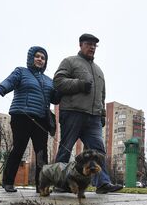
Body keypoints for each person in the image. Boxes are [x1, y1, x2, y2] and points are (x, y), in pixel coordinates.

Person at [53, 33, 123, 194]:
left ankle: (102, 183)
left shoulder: (99, 70)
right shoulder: (69, 61)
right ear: (80, 45)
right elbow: (58, 81)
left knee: (98, 151)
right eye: (88, 44)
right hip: (72, 113)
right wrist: (79, 84)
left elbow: (102, 94)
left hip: (93, 118)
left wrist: (103, 114)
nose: (92, 47)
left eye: (94, 45)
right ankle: (60, 182)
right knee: (66, 147)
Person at [0, 46, 54, 193]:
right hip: (22, 116)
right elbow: (10, 81)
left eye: (43, 58)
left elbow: (55, 97)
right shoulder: (21, 72)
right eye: (37, 56)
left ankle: (42, 185)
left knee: (42, 153)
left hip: (40, 120)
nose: (40, 59)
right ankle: (8, 182)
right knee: (19, 149)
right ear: (31, 57)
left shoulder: (49, 80)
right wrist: (2, 87)